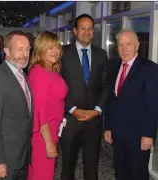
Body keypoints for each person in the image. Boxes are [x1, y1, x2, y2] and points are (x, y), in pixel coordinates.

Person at [104, 29, 158, 180]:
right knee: (121, 173)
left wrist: (148, 134)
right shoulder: (114, 67)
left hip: (138, 136)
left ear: (137, 45)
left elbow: (153, 104)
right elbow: (112, 100)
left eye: (129, 44)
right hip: (118, 135)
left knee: (138, 174)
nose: (124, 49)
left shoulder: (150, 69)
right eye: (121, 45)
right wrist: (108, 126)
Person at [60, 13, 109, 180]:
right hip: (70, 121)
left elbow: (105, 86)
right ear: (75, 31)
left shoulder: (102, 54)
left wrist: (97, 110)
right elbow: (57, 88)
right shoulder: (62, 53)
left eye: (90, 29)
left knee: (92, 167)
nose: (87, 32)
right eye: (83, 28)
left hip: (93, 122)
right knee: (67, 166)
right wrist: (73, 109)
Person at [0, 31, 33, 180]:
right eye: (20, 49)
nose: (25, 54)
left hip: (21, 156)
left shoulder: (22, 75)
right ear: (7, 51)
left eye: (27, 49)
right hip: (4, 159)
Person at [27, 31, 68, 180]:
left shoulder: (52, 69)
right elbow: (39, 110)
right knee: (42, 175)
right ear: (41, 48)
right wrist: (49, 142)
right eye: (50, 47)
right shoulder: (39, 72)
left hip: (52, 131)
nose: (55, 51)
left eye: (57, 47)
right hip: (43, 135)